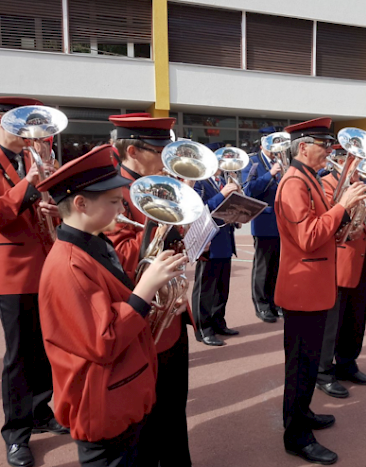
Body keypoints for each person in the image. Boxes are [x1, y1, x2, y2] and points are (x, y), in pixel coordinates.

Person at [36, 144, 187, 467]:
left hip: (124, 397)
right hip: (104, 408)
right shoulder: (68, 265)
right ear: (80, 204)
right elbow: (103, 341)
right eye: (114, 202)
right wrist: (145, 291)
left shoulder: (96, 242)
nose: (121, 211)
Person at [275, 117, 366, 465]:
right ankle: (296, 435)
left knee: (309, 362)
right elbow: (309, 237)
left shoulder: (306, 179)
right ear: (303, 147)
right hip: (302, 289)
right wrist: (343, 205)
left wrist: (346, 208)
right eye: (323, 145)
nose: (329, 151)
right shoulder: (293, 183)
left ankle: (303, 414)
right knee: (299, 367)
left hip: (313, 287)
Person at [104, 114, 193, 467]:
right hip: (141, 319)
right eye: (159, 151)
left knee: (174, 408)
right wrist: (165, 229)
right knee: (148, 416)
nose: (166, 160)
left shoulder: (158, 183)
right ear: (132, 151)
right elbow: (121, 259)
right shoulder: (113, 193)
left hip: (169, 315)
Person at [0, 97, 69, 467]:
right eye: (21, 121)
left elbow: (52, 201)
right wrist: (28, 187)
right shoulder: (25, 165)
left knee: (45, 346)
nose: (31, 131)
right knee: (18, 356)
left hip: (47, 262)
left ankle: (42, 412)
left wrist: (52, 206)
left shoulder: (35, 157)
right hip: (12, 271)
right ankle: (16, 433)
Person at [315, 161, 366, 399]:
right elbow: (334, 221)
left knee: (355, 318)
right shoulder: (327, 183)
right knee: (332, 322)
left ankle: (348, 363)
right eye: (361, 161)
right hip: (340, 260)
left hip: (361, 259)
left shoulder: (361, 184)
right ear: (344, 161)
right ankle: (324, 372)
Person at [192, 171, 239, 346]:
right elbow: (199, 210)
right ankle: (203, 329)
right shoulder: (199, 183)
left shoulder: (222, 180)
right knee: (205, 289)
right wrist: (222, 194)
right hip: (209, 243)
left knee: (222, 288)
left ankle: (219, 322)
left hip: (225, 241)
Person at [242, 126, 283, 323]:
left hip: (282, 222)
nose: (276, 148)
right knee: (263, 266)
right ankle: (261, 304)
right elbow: (248, 190)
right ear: (262, 144)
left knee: (277, 266)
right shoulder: (253, 162)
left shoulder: (282, 161)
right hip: (264, 221)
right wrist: (271, 174)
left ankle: (275, 302)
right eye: (272, 143)